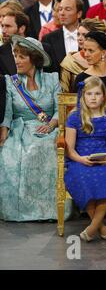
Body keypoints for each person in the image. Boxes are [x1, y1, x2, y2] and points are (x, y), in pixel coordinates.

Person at [0, 35, 71, 221]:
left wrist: (51, 125)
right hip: (21, 129)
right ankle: (20, 210)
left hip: (49, 128)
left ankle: (51, 210)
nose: (16, 60)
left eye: (22, 56)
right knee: (12, 154)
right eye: (15, 55)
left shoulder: (52, 79)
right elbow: (7, 113)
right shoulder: (11, 81)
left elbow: (60, 109)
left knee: (50, 148)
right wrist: (4, 131)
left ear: (34, 58)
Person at [64, 76, 106, 241]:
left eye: (97, 94)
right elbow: (69, 150)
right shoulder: (74, 117)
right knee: (82, 177)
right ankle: (99, 227)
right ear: (83, 96)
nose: (93, 98)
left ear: (103, 96)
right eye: (89, 94)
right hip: (79, 159)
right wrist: (81, 160)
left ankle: (92, 227)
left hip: (104, 158)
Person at [60, 18, 106, 93]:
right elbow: (64, 95)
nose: (79, 38)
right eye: (78, 34)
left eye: (84, 35)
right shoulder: (69, 62)